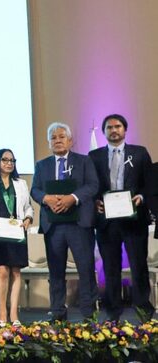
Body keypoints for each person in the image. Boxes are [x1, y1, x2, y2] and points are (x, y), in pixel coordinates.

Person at [88, 114, 154, 322]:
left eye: (117, 126)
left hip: (134, 221)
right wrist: (95, 201)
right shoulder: (94, 156)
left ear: (125, 130)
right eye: (109, 127)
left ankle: (144, 311)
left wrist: (141, 197)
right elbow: (90, 185)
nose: (113, 130)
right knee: (110, 268)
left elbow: (150, 184)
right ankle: (112, 313)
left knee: (138, 266)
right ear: (104, 132)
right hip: (106, 222)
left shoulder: (140, 153)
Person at [31, 122, 99, 321]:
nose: (57, 140)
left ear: (70, 140)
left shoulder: (84, 161)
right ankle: (58, 312)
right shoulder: (42, 165)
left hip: (79, 224)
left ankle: (88, 313)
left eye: (61, 136)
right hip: (54, 226)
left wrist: (72, 198)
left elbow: (93, 185)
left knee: (85, 269)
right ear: (49, 142)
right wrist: (47, 199)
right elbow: (35, 190)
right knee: (56, 271)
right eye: (53, 137)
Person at [0, 149, 34, 326]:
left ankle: (14, 313)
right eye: (5, 160)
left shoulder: (21, 183)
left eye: (12, 160)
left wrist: (28, 218)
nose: (9, 163)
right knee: (2, 271)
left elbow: (28, 207)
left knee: (16, 272)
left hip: (17, 231)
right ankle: (2, 311)